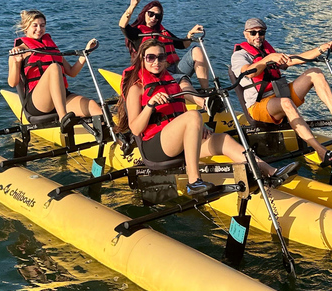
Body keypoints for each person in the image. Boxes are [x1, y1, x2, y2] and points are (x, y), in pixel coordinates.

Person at [117, 39, 294, 195]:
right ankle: (194, 182)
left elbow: (178, 115)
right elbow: (135, 128)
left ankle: (270, 173)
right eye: (151, 58)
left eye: (161, 57)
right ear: (142, 59)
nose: (156, 62)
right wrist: (149, 106)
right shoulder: (137, 88)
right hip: (156, 149)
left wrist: (199, 129)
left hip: (177, 143)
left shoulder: (172, 81)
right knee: (193, 115)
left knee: (223, 139)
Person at [231, 18, 332, 167]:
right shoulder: (239, 55)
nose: (257, 36)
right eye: (253, 33)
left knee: (315, 73)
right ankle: (321, 151)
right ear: (245, 34)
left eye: (261, 32)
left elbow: (294, 59)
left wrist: (321, 48)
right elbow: (249, 73)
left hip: (279, 94)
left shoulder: (267, 50)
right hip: (259, 106)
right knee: (286, 103)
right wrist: (268, 59)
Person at [8, 9, 101, 132]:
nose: (39, 29)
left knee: (94, 107)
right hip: (38, 103)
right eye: (34, 26)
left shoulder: (51, 48)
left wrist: (86, 52)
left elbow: (72, 72)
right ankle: (63, 118)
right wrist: (16, 62)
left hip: (62, 98)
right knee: (54, 67)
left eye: (42, 25)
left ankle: (117, 141)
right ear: (26, 29)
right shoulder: (19, 51)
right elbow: (12, 83)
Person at [119, 0, 209, 104]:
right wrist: (132, 6)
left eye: (157, 16)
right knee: (183, 81)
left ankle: (206, 91)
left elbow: (182, 44)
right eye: (151, 14)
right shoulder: (137, 33)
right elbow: (122, 25)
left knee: (197, 50)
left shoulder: (162, 31)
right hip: (159, 72)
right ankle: (203, 103)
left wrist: (190, 34)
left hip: (176, 67)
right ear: (144, 13)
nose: (153, 18)